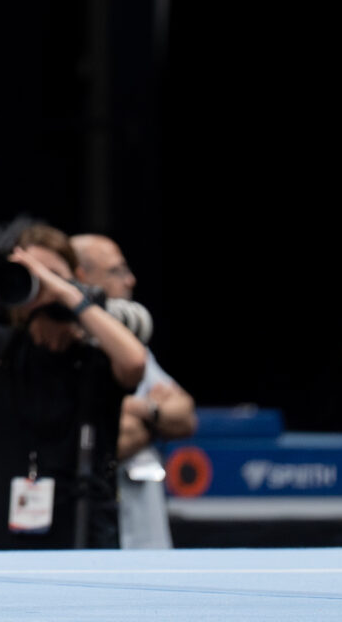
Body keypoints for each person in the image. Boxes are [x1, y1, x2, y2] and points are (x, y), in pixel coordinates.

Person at [0, 225, 147, 549]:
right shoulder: (1, 348)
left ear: (76, 276)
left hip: (84, 534)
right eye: (32, 276)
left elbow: (135, 363)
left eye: (52, 274)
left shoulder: (97, 352)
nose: (43, 285)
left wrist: (69, 295)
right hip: (5, 530)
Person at [74, 233, 195, 550]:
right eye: (116, 271)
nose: (130, 280)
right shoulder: (64, 345)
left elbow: (185, 415)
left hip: (146, 542)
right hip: (93, 539)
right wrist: (155, 419)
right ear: (81, 277)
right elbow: (105, 440)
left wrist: (141, 411)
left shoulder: (130, 344)